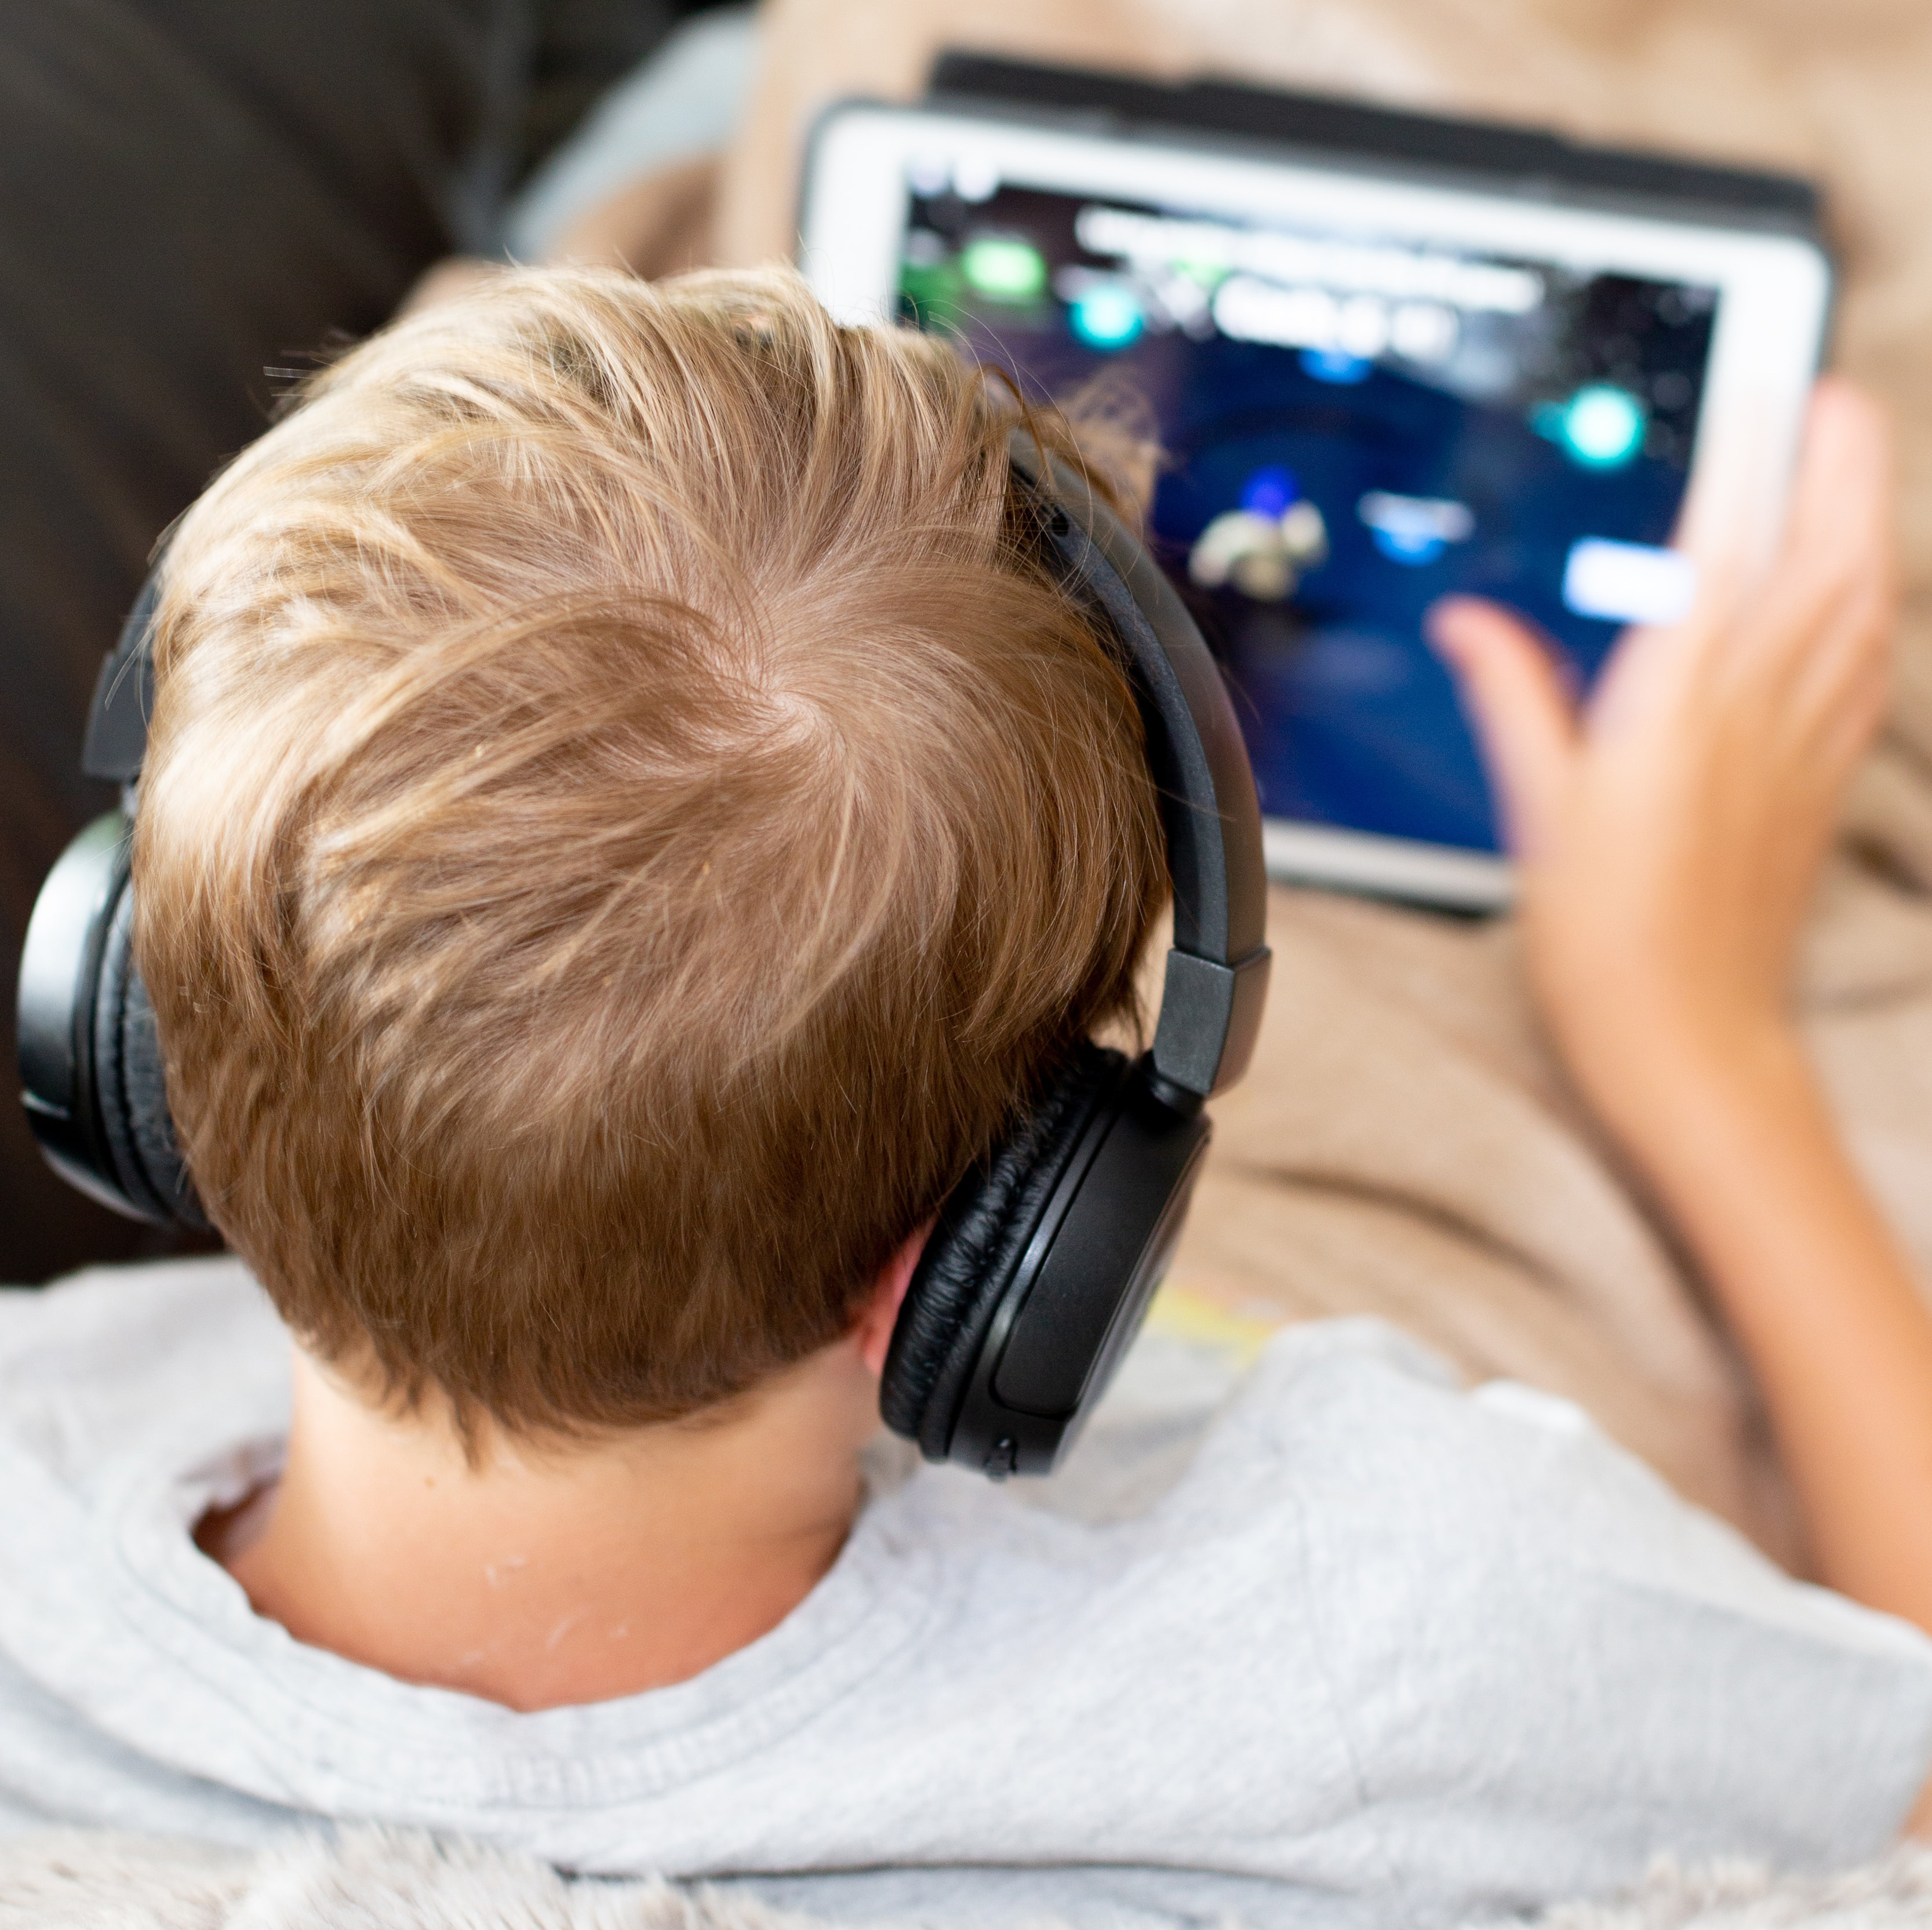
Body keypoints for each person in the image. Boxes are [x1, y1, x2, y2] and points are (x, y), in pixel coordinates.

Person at [0, 265, 1927, 1929]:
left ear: (138, 1039)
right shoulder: (1400, 1610)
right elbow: (1903, 1779)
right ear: (1002, 1259)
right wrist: (1702, 1053)